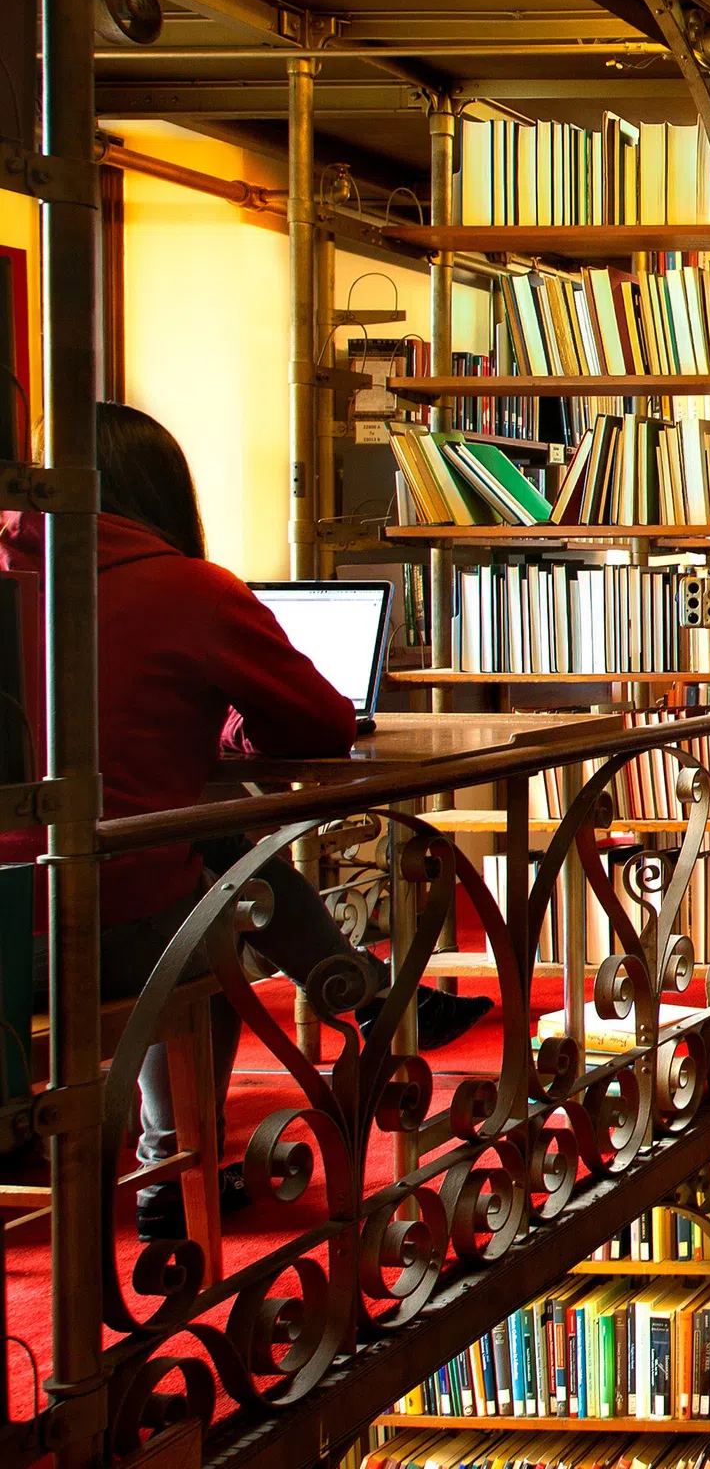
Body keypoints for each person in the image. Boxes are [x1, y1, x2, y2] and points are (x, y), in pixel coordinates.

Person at [0, 404, 491, 1241]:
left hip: (10, 929)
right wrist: (225, 723)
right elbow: (321, 727)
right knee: (216, 907)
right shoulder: (188, 590)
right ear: (164, 491)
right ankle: (176, 1165)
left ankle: (360, 993)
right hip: (98, 927)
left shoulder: (19, 578)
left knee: (211, 844)